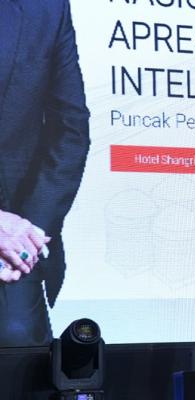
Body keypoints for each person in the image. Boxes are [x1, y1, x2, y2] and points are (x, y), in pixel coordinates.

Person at [0, 0, 90, 347]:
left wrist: (26, 238)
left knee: (18, 340)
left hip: (13, 241)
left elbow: (70, 129)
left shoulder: (46, 9)